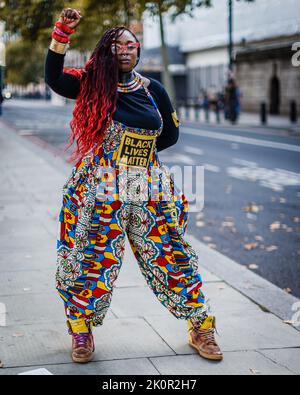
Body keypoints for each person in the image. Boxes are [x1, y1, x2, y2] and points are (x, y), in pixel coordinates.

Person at [45, 8, 223, 364]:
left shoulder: (153, 89)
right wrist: (62, 33)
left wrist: (138, 157)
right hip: (101, 186)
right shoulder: (92, 82)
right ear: (106, 53)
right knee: (90, 257)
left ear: (138, 50)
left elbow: (170, 135)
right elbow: (54, 79)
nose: (124, 50)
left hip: (148, 187)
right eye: (116, 46)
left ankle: (200, 326)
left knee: (170, 253)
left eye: (130, 44)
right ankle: (81, 330)